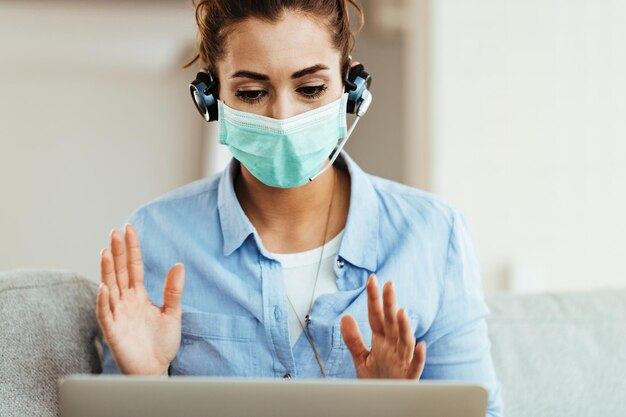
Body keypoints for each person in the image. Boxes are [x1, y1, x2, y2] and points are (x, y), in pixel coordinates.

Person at [97, 0, 503, 415]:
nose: (284, 118)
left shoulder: (434, 235)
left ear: (353, 87)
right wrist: (145, 384)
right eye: (252, 93)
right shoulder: (154, 237)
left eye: (310, 89)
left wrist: (394, 409)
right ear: (209, 97)